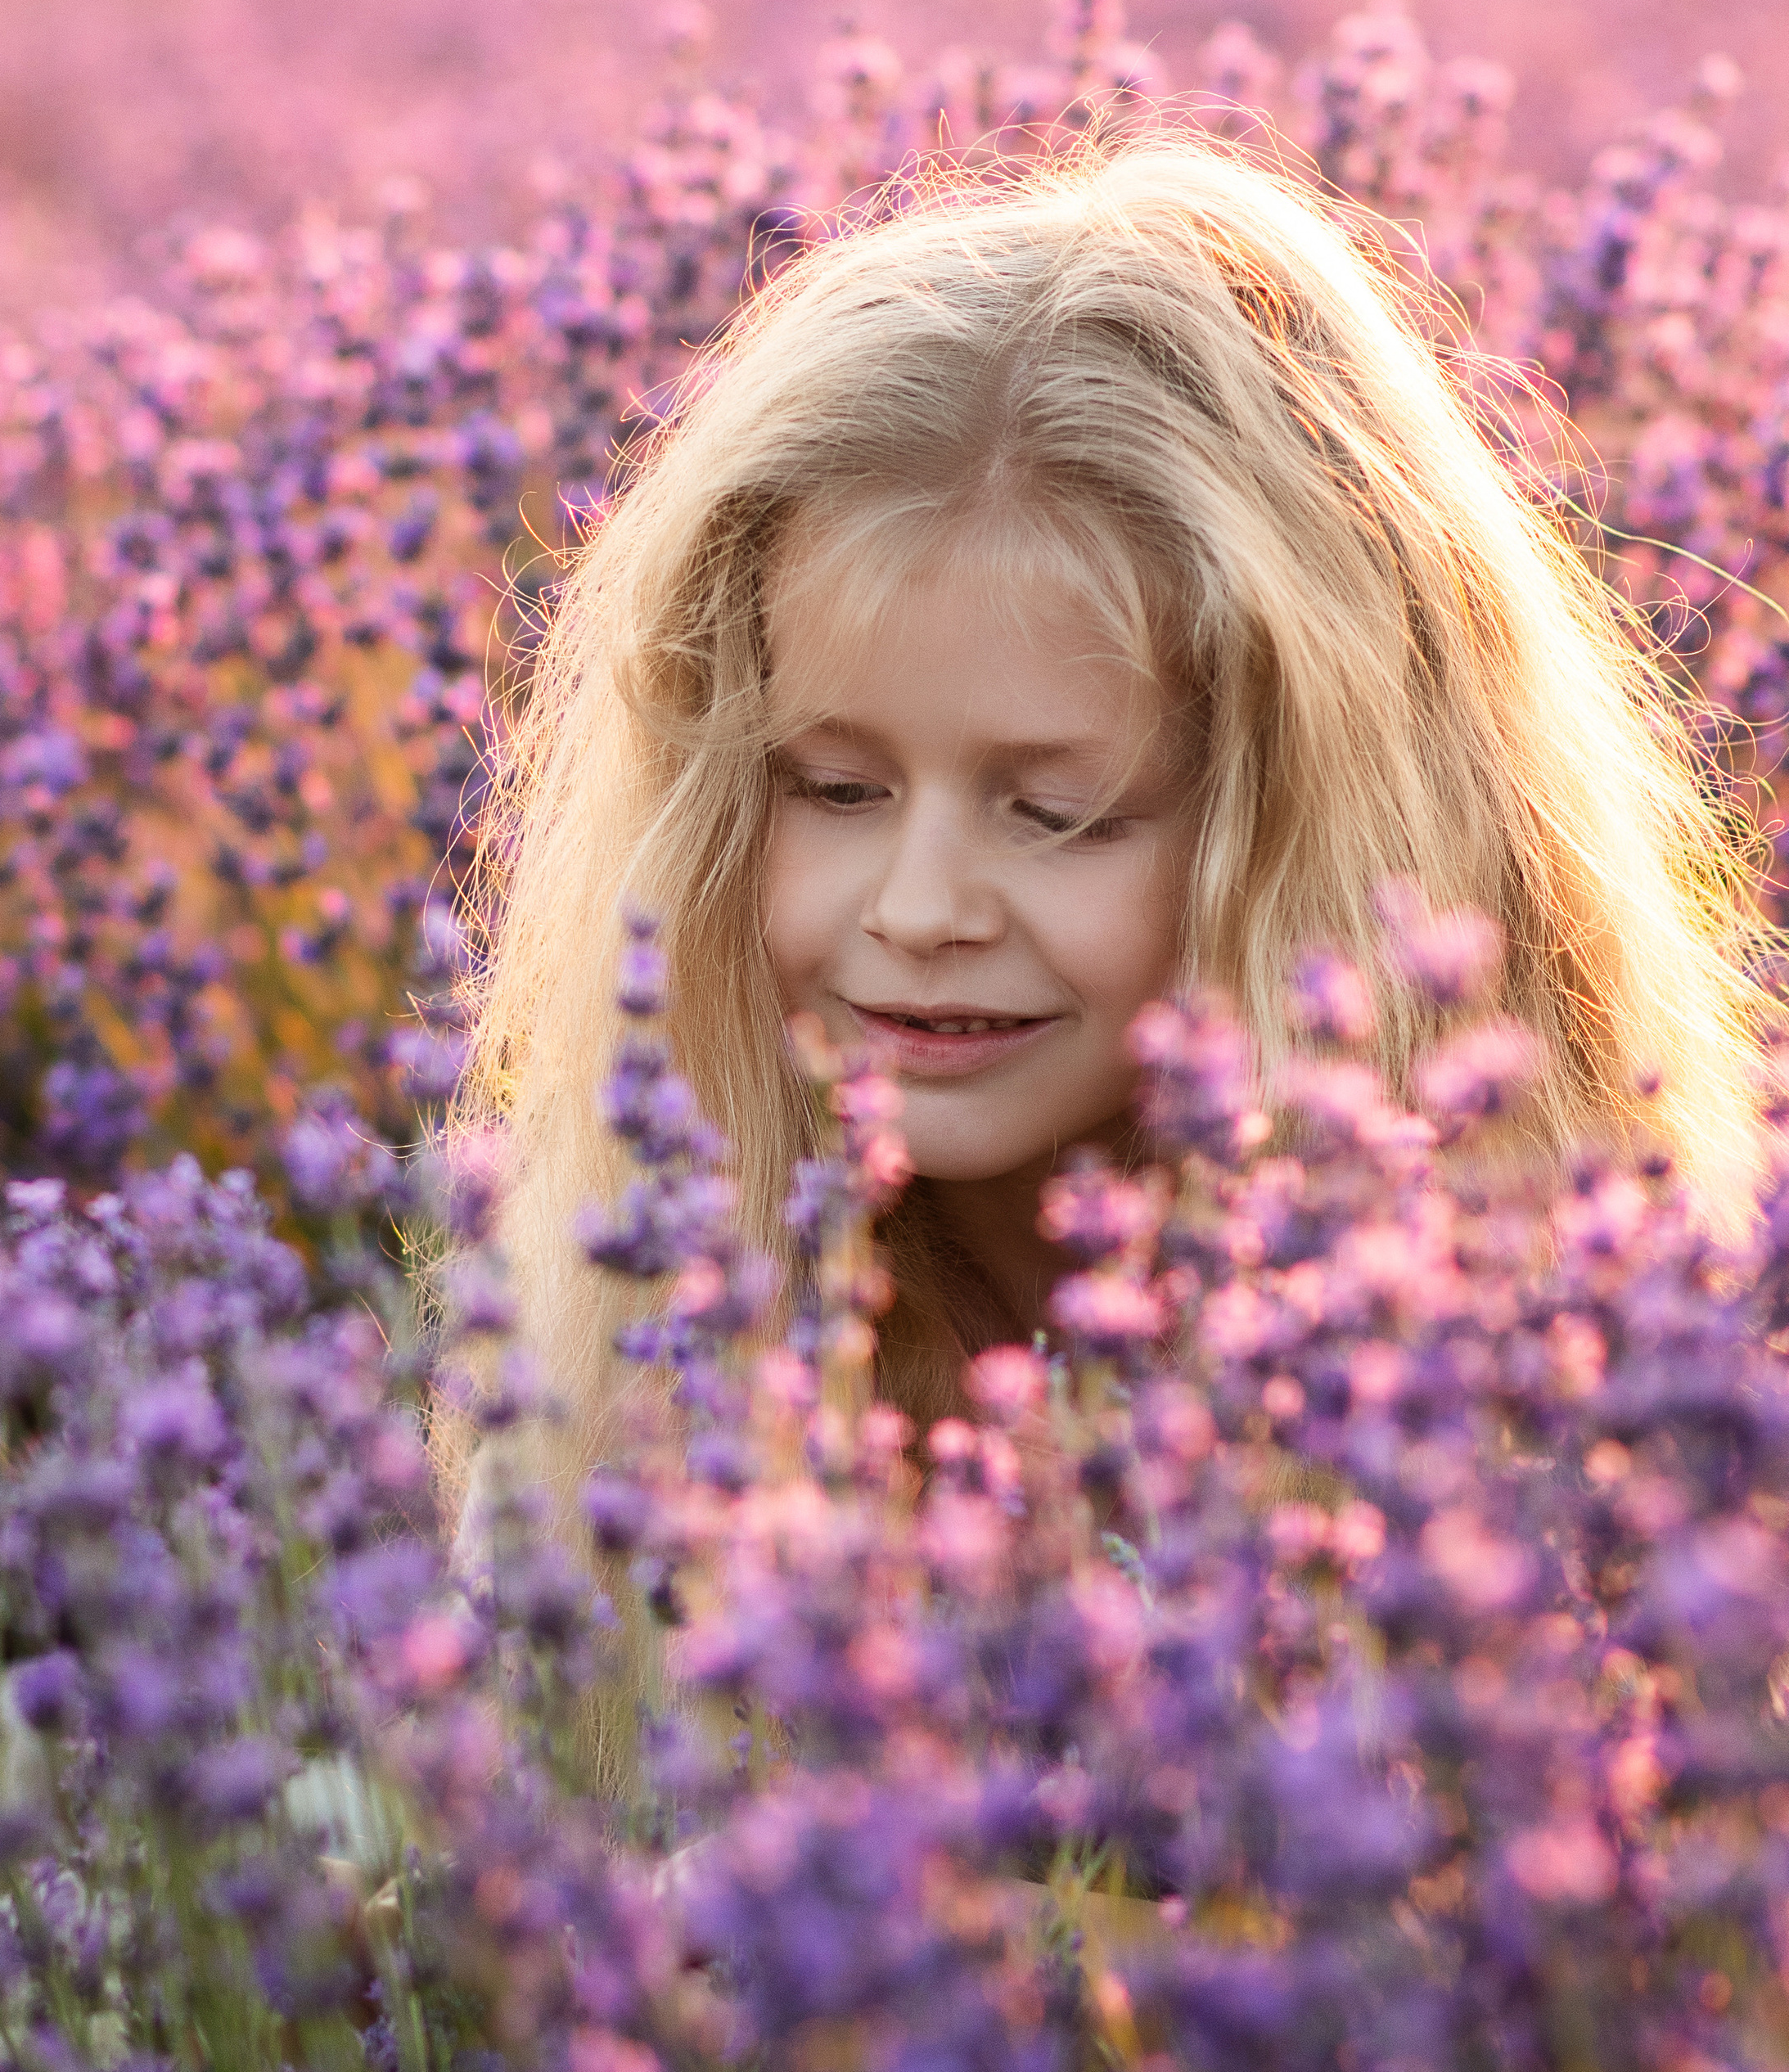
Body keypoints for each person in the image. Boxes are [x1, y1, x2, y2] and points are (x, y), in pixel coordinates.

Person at [441, 125, 1776, 1543]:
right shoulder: (623, 1416)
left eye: (1060, 814)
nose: (921, 907)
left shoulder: (1561, 1429)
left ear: (1324, 841)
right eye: (835, 790)